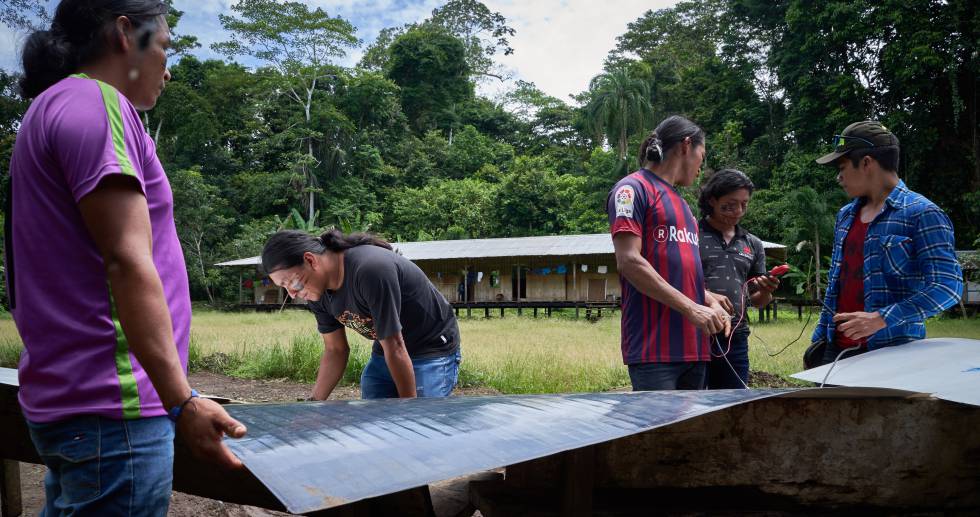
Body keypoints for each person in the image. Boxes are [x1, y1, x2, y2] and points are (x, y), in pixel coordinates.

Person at [5, 1, 246, 515]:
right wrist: (182, 401)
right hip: (115, 409)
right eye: (163, 45)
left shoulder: (49, 108)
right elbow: (128, 261)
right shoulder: (99, 105)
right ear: (124, 36)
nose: (168, 65)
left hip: (74, 401)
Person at [810, 120, 963, 366]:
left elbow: (947, 286)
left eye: (842, 167)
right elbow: (837, 285)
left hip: (893, 354)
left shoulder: (922, 213)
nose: (839, 177)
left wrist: (880, 319)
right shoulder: (846, 216)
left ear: (867, 163)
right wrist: (819, 340)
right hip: (835, 351)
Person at [607, 115, 731, 391]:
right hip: (655, 351)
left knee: (691, 433)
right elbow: (629, 260)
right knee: (660, 432)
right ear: (686, 145)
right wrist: (692, 308)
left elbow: (676, 271)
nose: (702, 165)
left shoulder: (684, 207)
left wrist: (708, 300)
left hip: (696, 348)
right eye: (703, 154)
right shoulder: (632, 190)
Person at [261, 230, 462, 399]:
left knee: (419, 427)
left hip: (431, 349)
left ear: (310, 259)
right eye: (284, 287)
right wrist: (313, 404)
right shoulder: (316, 292)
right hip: (386, 353)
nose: (293, 293)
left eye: (292, 282)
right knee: (372, 425)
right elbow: (335, 350)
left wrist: (407, 411)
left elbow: (396, 346)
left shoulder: (370, 269)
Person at [697, 169, 780, 388]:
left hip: (736, 337)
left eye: (744, 204)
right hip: (694, 333)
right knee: (692, 406)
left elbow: (759, 301)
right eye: (730, 205)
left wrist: (767, 289)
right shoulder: (691, 235)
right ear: (712, 200)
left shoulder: (752, 243)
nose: (738, 211)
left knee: (732, 405)